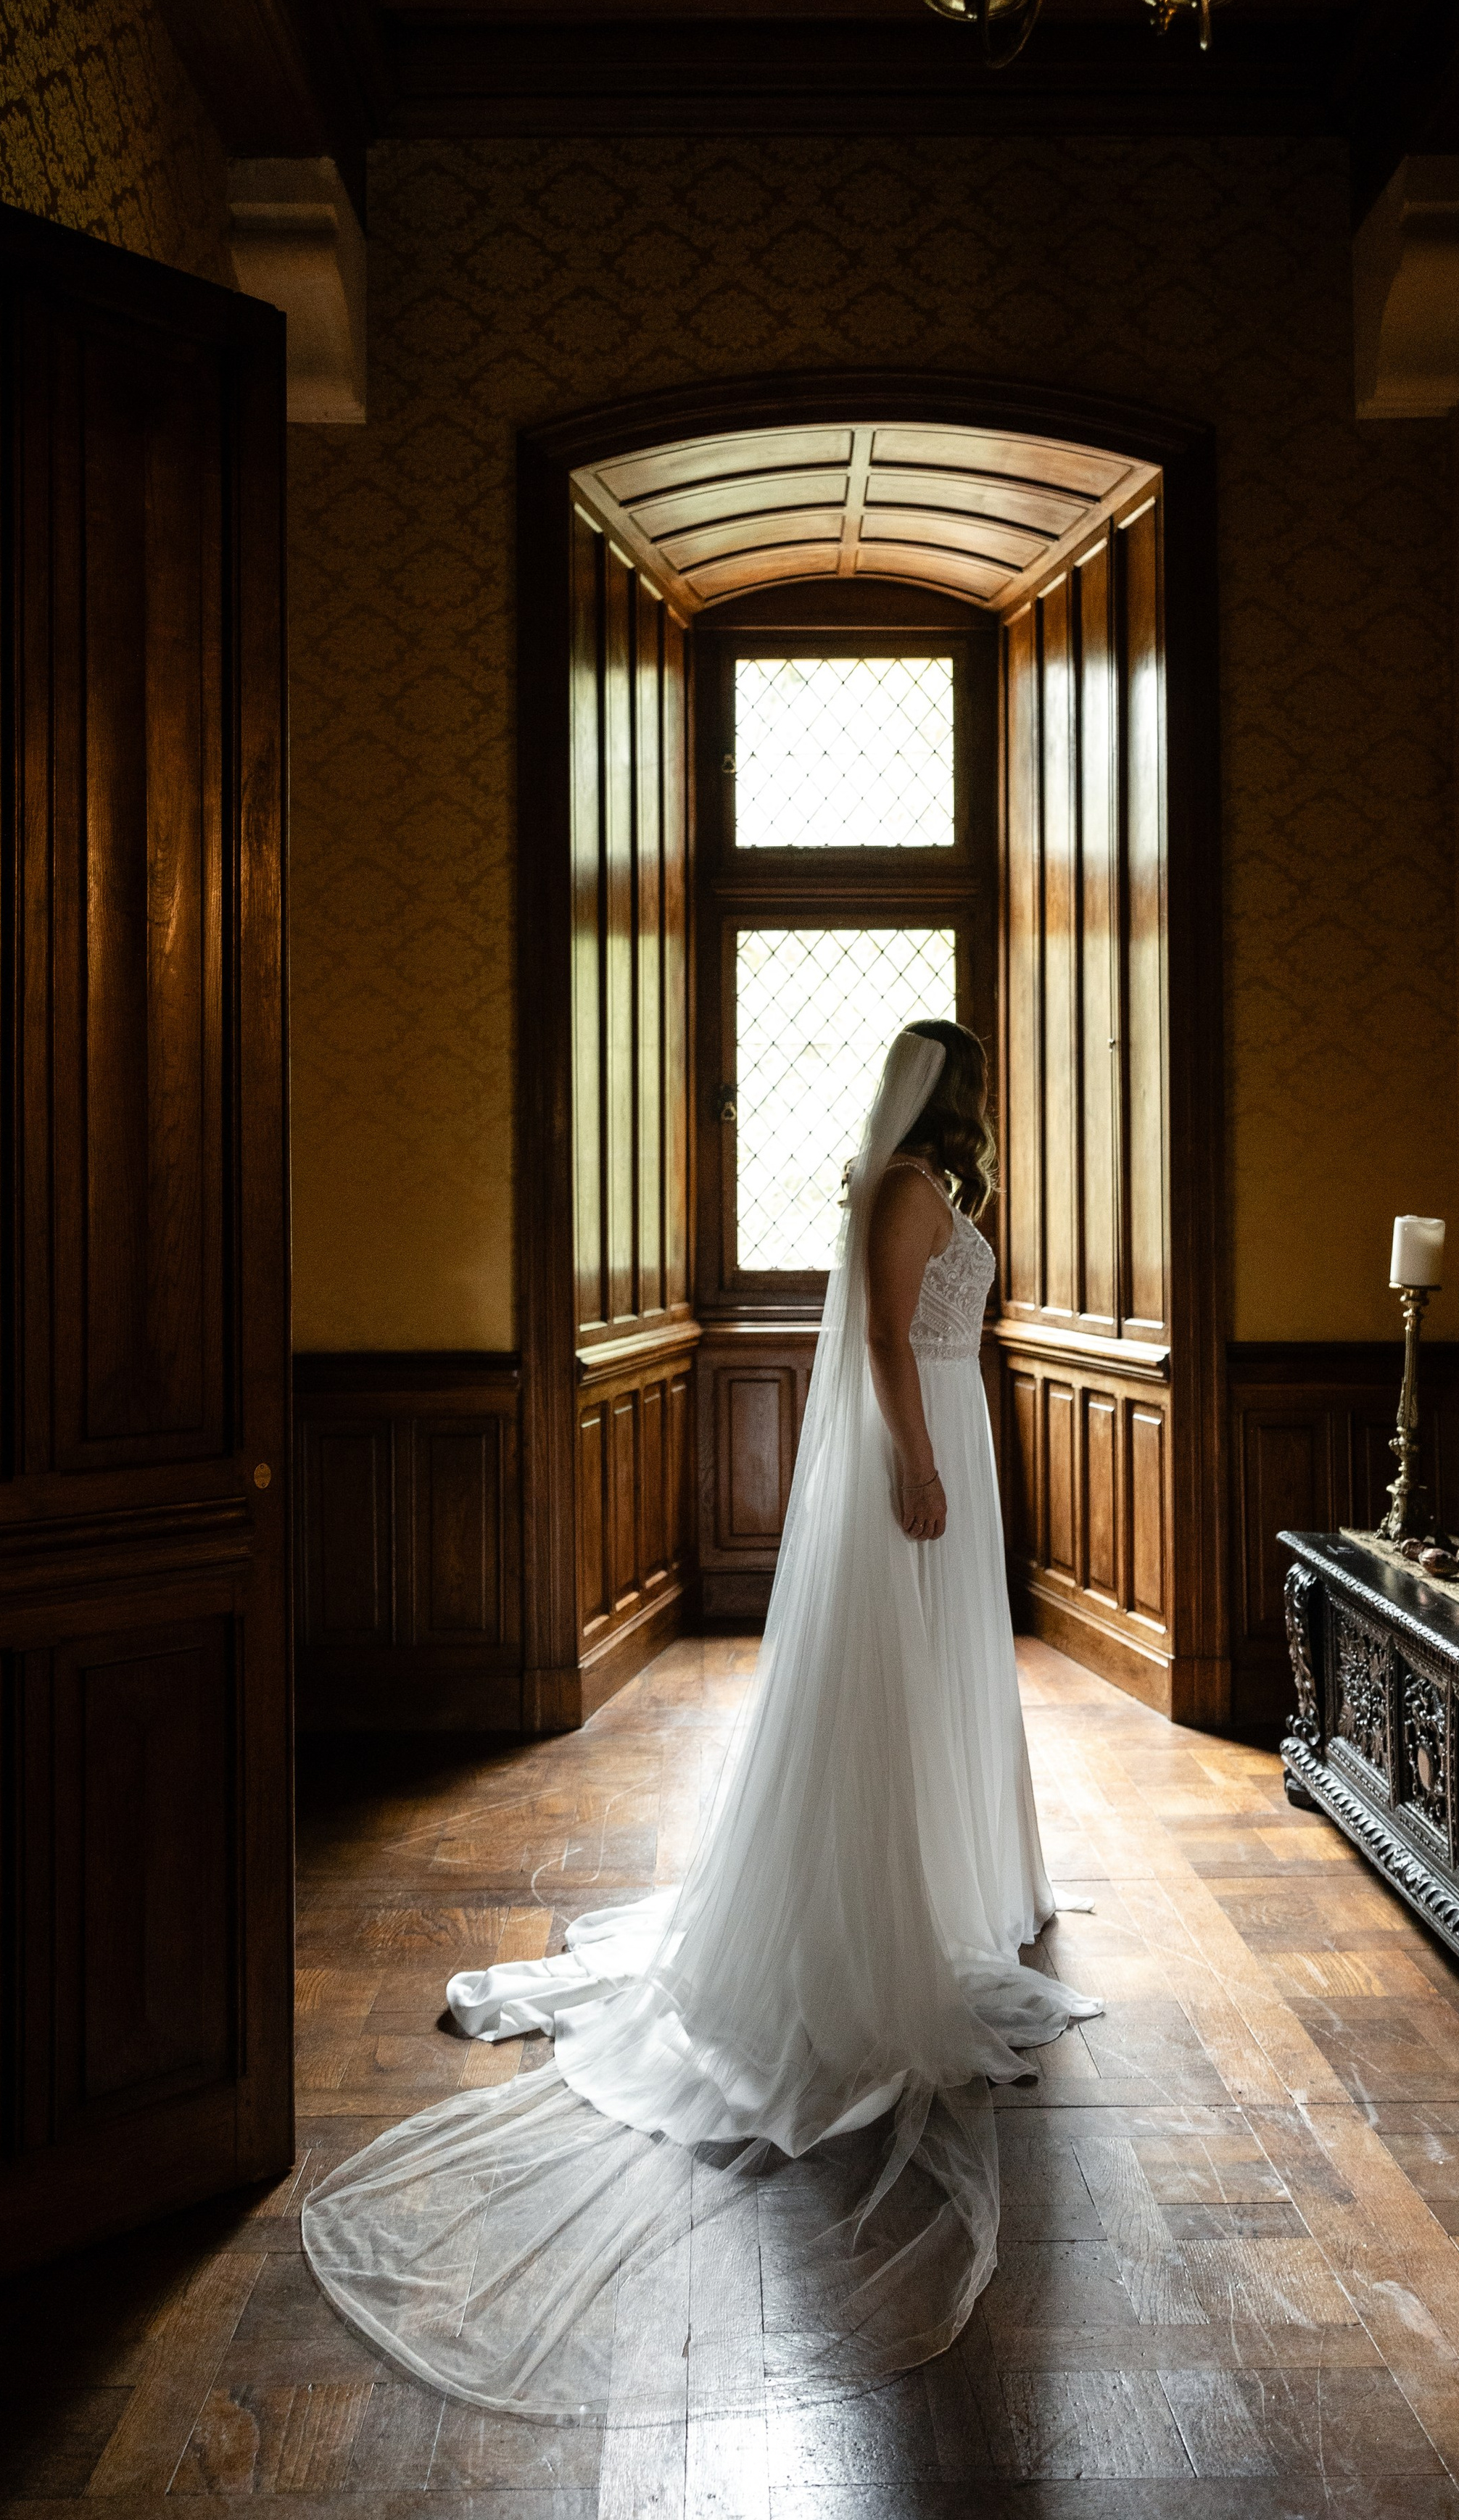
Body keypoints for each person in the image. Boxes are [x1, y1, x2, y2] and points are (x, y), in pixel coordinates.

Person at [302, 1023, 1101, 2422]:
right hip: (922, 1443)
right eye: (979, 1081)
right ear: (956, 1093)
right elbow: (882, 1338)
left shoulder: (926, 1186)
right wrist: (917, 1461)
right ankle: (885, 1894)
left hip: (950, 1433)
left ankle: (960, 1873)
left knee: (947, 1674)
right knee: (899, 1680)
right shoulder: (905, 1189)